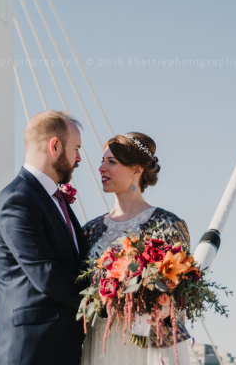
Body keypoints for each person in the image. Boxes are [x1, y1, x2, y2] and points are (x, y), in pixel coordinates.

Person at [80, 132, 192, 365]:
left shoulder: (168, 224)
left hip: (149, 343)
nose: (101, 168)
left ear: (136, 170)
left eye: (112, 162)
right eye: (102, 161)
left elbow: (183, 291)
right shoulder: (90, 230)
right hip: (101, 341)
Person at [0, 110, 87, 365]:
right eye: (76, 148)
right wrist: (106, 300)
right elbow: (45, 273)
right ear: (55, 146)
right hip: (28, 351)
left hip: (61, 349)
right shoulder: (18, 200)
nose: (79, 158)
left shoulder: (55, 200)